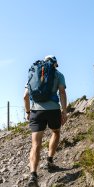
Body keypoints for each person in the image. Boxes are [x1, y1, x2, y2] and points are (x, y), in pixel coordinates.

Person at [24, 55, 67, 187]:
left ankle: (33, 175)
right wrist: (64, 111)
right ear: (55, 63)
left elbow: (25, 96)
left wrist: (28, 112)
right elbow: (62, 93)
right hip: (53, 109)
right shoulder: (59, 74)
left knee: (36, 144)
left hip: (36, 111)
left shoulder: (34, 72)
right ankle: (49, 160)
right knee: (56, 132)